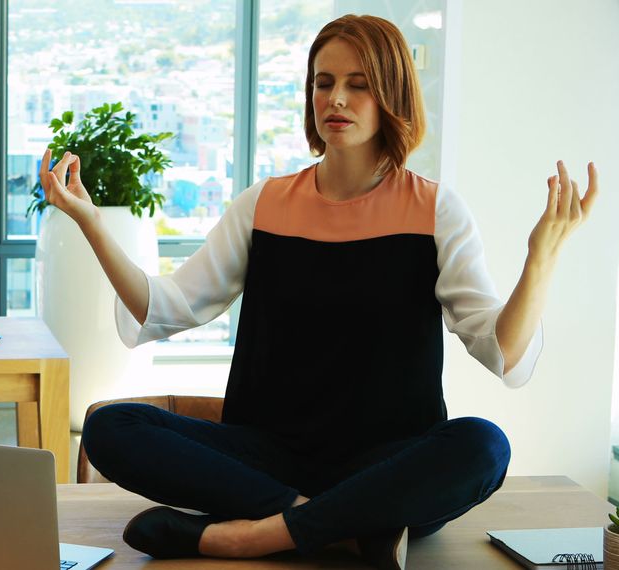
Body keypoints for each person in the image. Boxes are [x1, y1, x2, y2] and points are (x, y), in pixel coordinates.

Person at [37, 13, 599, 570]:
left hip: (387, 468)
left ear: (391, 96)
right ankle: (343, 530)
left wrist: (541, 255)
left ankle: (249, 537)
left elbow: (501, 349)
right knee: (112, 427)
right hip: (267, 461)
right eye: (323, 82)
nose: (336, 99)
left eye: (359, 85)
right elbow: (163, 308)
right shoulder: (265, 204)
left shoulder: (435, 210)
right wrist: (90, 221)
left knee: (484, 445)